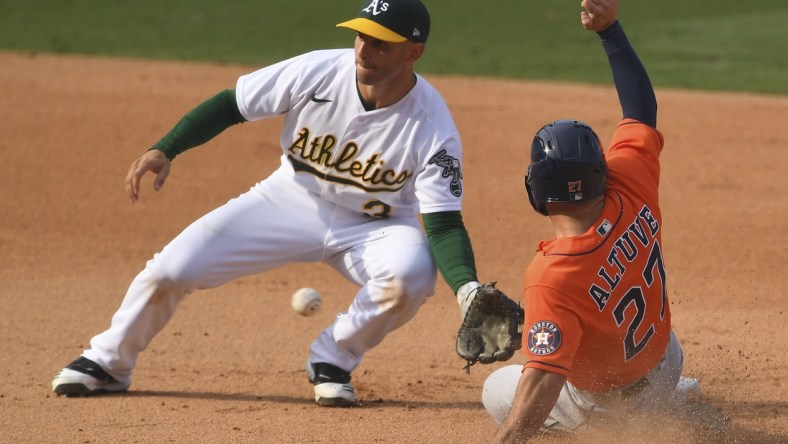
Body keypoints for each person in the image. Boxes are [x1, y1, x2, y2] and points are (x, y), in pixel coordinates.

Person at [51, 0, 516, 407]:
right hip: (289, 198)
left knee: (412, 276)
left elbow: (442, 223)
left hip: (375, 225)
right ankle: (109, 361)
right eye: (360, 36)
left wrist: (467, 289)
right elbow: (232, 103)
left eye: (381, 43)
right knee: (171, 270)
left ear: (413, 52)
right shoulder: (316, 69)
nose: (364, 50)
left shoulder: (433, 128)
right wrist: (166, 147)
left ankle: (332, 359)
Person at [481, 0, 700, 440]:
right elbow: (640, 109)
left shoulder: (552, 277)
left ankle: (623, 425)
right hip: (665, 361)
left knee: (498, 388)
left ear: (536, 190)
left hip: (609, 406)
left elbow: (542, 383)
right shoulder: (630, 181)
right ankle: (674, 395)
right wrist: (610, 30)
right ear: (600, 168)